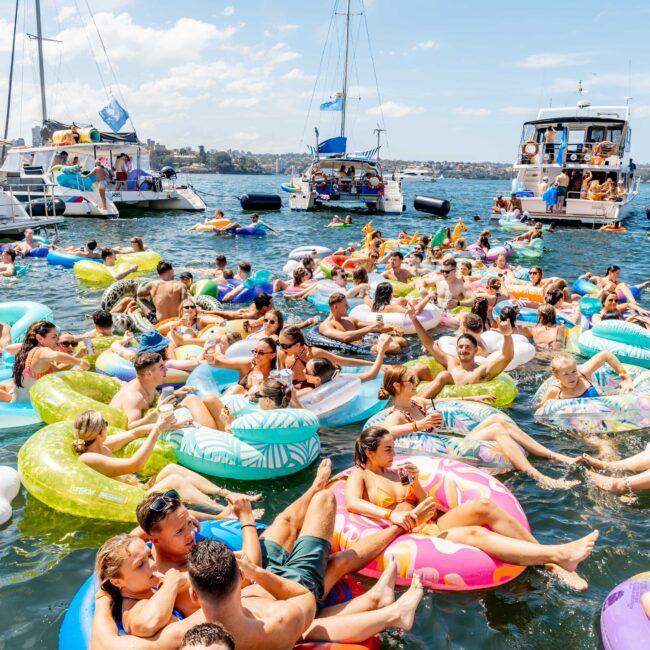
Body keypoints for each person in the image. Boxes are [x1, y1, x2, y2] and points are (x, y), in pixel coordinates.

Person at [345, 427, 598, 590]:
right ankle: (554, 559)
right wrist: (393, 515)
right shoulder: (361, 476)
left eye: (394, 448)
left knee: (484, 506)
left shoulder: (398, 472)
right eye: (388, 449)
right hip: (406, 535)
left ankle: (551, 559)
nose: (393, 453)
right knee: (476, 534)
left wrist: (416, 483)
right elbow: (352, 503)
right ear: (369, 452)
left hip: (428, 524)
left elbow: (425, 506)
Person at [375, 365, 580, 490]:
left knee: (498, 422)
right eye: (410, 380)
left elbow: (451, 398)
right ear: (397, 386)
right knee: (498, 430)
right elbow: (383, 433)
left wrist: (477, 397)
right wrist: (417, 425)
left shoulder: (417, 402)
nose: (415, 381)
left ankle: (555, 456)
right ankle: (540, 477)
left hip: (449, 443)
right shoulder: (397, 415)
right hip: (444, 454)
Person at [73, 409, 232, 512]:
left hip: (141, 489)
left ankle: (228, 494)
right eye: (105, 424)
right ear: (101, 431)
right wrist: (156, 431)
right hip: (133, 501)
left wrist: (173, 426)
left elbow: (135, 432)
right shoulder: (89, 458)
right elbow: (134, 464)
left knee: (171, 469)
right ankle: (220, 510)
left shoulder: (103, 445)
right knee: (174, 480)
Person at [407, 306, 514, 399]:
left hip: (466, 407)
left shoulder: (481, 371)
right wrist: (414, 319)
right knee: (418, 368)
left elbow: (506, 356)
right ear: (456, 349)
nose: (463, 350)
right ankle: (405, 396)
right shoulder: (451, 363)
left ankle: (415, 403)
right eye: (460, 347)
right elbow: (430, 344)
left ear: (475, 350)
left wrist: (507, 335)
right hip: (440, 401)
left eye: (467, 347)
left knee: (444, 375)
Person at [108, 351, 222, 430]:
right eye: (162, 367)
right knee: (191, 400)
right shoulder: (134, 397)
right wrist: (157, 412)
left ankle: (222, 427)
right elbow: (130, 426)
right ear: (149, 374)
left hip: (152, 417)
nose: (166, 369)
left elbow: (156, 400)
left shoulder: (148, 385)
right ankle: (215, 435)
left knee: (206, 399)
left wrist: (176, 393)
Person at [11, 320, 90, 403]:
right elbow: (56, 355)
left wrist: (78, 355)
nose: (57, 340)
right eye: (54, 337)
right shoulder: (41, 351)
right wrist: (80, 362)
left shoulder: (28, 352)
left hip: (17, 405)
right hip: (28, 409)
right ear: (40, 338)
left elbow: (58, 370)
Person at [277, 326, 372, 390]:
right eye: (279, 344)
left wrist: (376, 364)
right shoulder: (282, 354)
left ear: (297, 345)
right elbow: (282, 379)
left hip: (313, 391)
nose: (280, 348)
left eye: (284, 345)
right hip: (295, 391)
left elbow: (344, 361)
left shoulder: (314, 353)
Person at [318, 293, 407, 355]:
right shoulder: (326, 325)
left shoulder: (350, 320)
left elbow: (376, 327)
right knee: (395, 347)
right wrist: (369, 329)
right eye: (345, 305)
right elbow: (344, 337)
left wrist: (393, 327)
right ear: (335, 307)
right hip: (360, 349)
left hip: (366, 343)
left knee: (402, 341)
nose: (348, 307)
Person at [537, 352, 632, 406]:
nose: (572, 377)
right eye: (565, 374)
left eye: (574, 371)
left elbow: (606, 355)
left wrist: (625, 378)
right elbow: (538, 409)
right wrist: (550, 404)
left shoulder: (583, 374)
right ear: (557, 377)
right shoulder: (555, 391)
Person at [205, 337, 278, 399]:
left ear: (273, 355)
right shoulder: (248, 365)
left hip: (253, 407)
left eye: (261, 353)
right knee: (238, 388)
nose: (256, 355)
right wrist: (210, 357)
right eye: (255, 351)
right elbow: (219, 363)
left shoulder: (275, 375)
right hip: (236, 399)